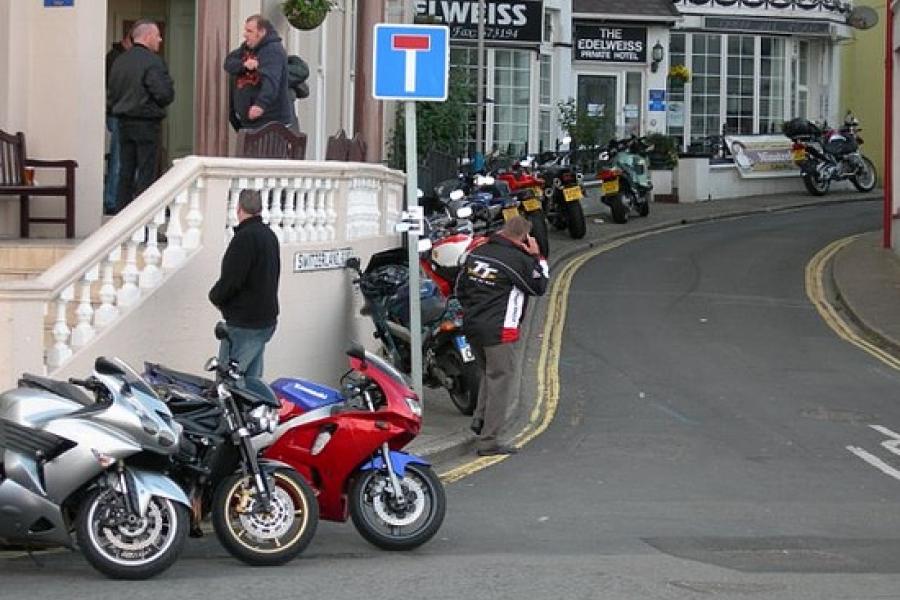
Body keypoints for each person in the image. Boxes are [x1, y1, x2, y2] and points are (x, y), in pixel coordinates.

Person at [456, 216, 549, 456]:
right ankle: (488, 441)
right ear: (525, 238)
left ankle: (480, 419)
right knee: (501, 381)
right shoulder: (517, 260)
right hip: (499, 329)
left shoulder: (479, 252)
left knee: (489, 373)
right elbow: (539, 286)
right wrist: (537, 256)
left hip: (473, 325)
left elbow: (461, 289)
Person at [209, 189, 281, 379]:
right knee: (251, 381)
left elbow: (232, 280)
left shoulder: (244, 238)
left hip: (245, 323)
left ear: (238, 208)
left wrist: (215, 297)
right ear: (260, 209)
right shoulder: (269, 236)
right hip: (266, 320)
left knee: (229, 382)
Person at [107, 20, 174, 213]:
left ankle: (122, 221)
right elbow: (164, 94)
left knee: (124, 174)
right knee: (146, 174)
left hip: (123, 123)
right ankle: (143, 222)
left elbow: (112, 94)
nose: (160, 39)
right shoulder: (152, 61)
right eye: (157, 35)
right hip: (146, 123)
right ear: (147, 37)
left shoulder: (119, 61)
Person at [224, 15, 294, 131]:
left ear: (261, 32)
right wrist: (244, 65)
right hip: (248, 122)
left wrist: (260, 105)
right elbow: (228, 63)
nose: (245, 34)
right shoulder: (246, 47)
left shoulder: (272, 51)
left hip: (269, 122)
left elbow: (271, 81)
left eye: (249, 31)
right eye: (245, 30)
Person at [104, 31, 132, 215]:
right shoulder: (115, 58)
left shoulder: (119, 57)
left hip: (121, 113)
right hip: (118, 114)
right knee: (118, 160)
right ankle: (113, 200)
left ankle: (117, 199)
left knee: (122, 159)